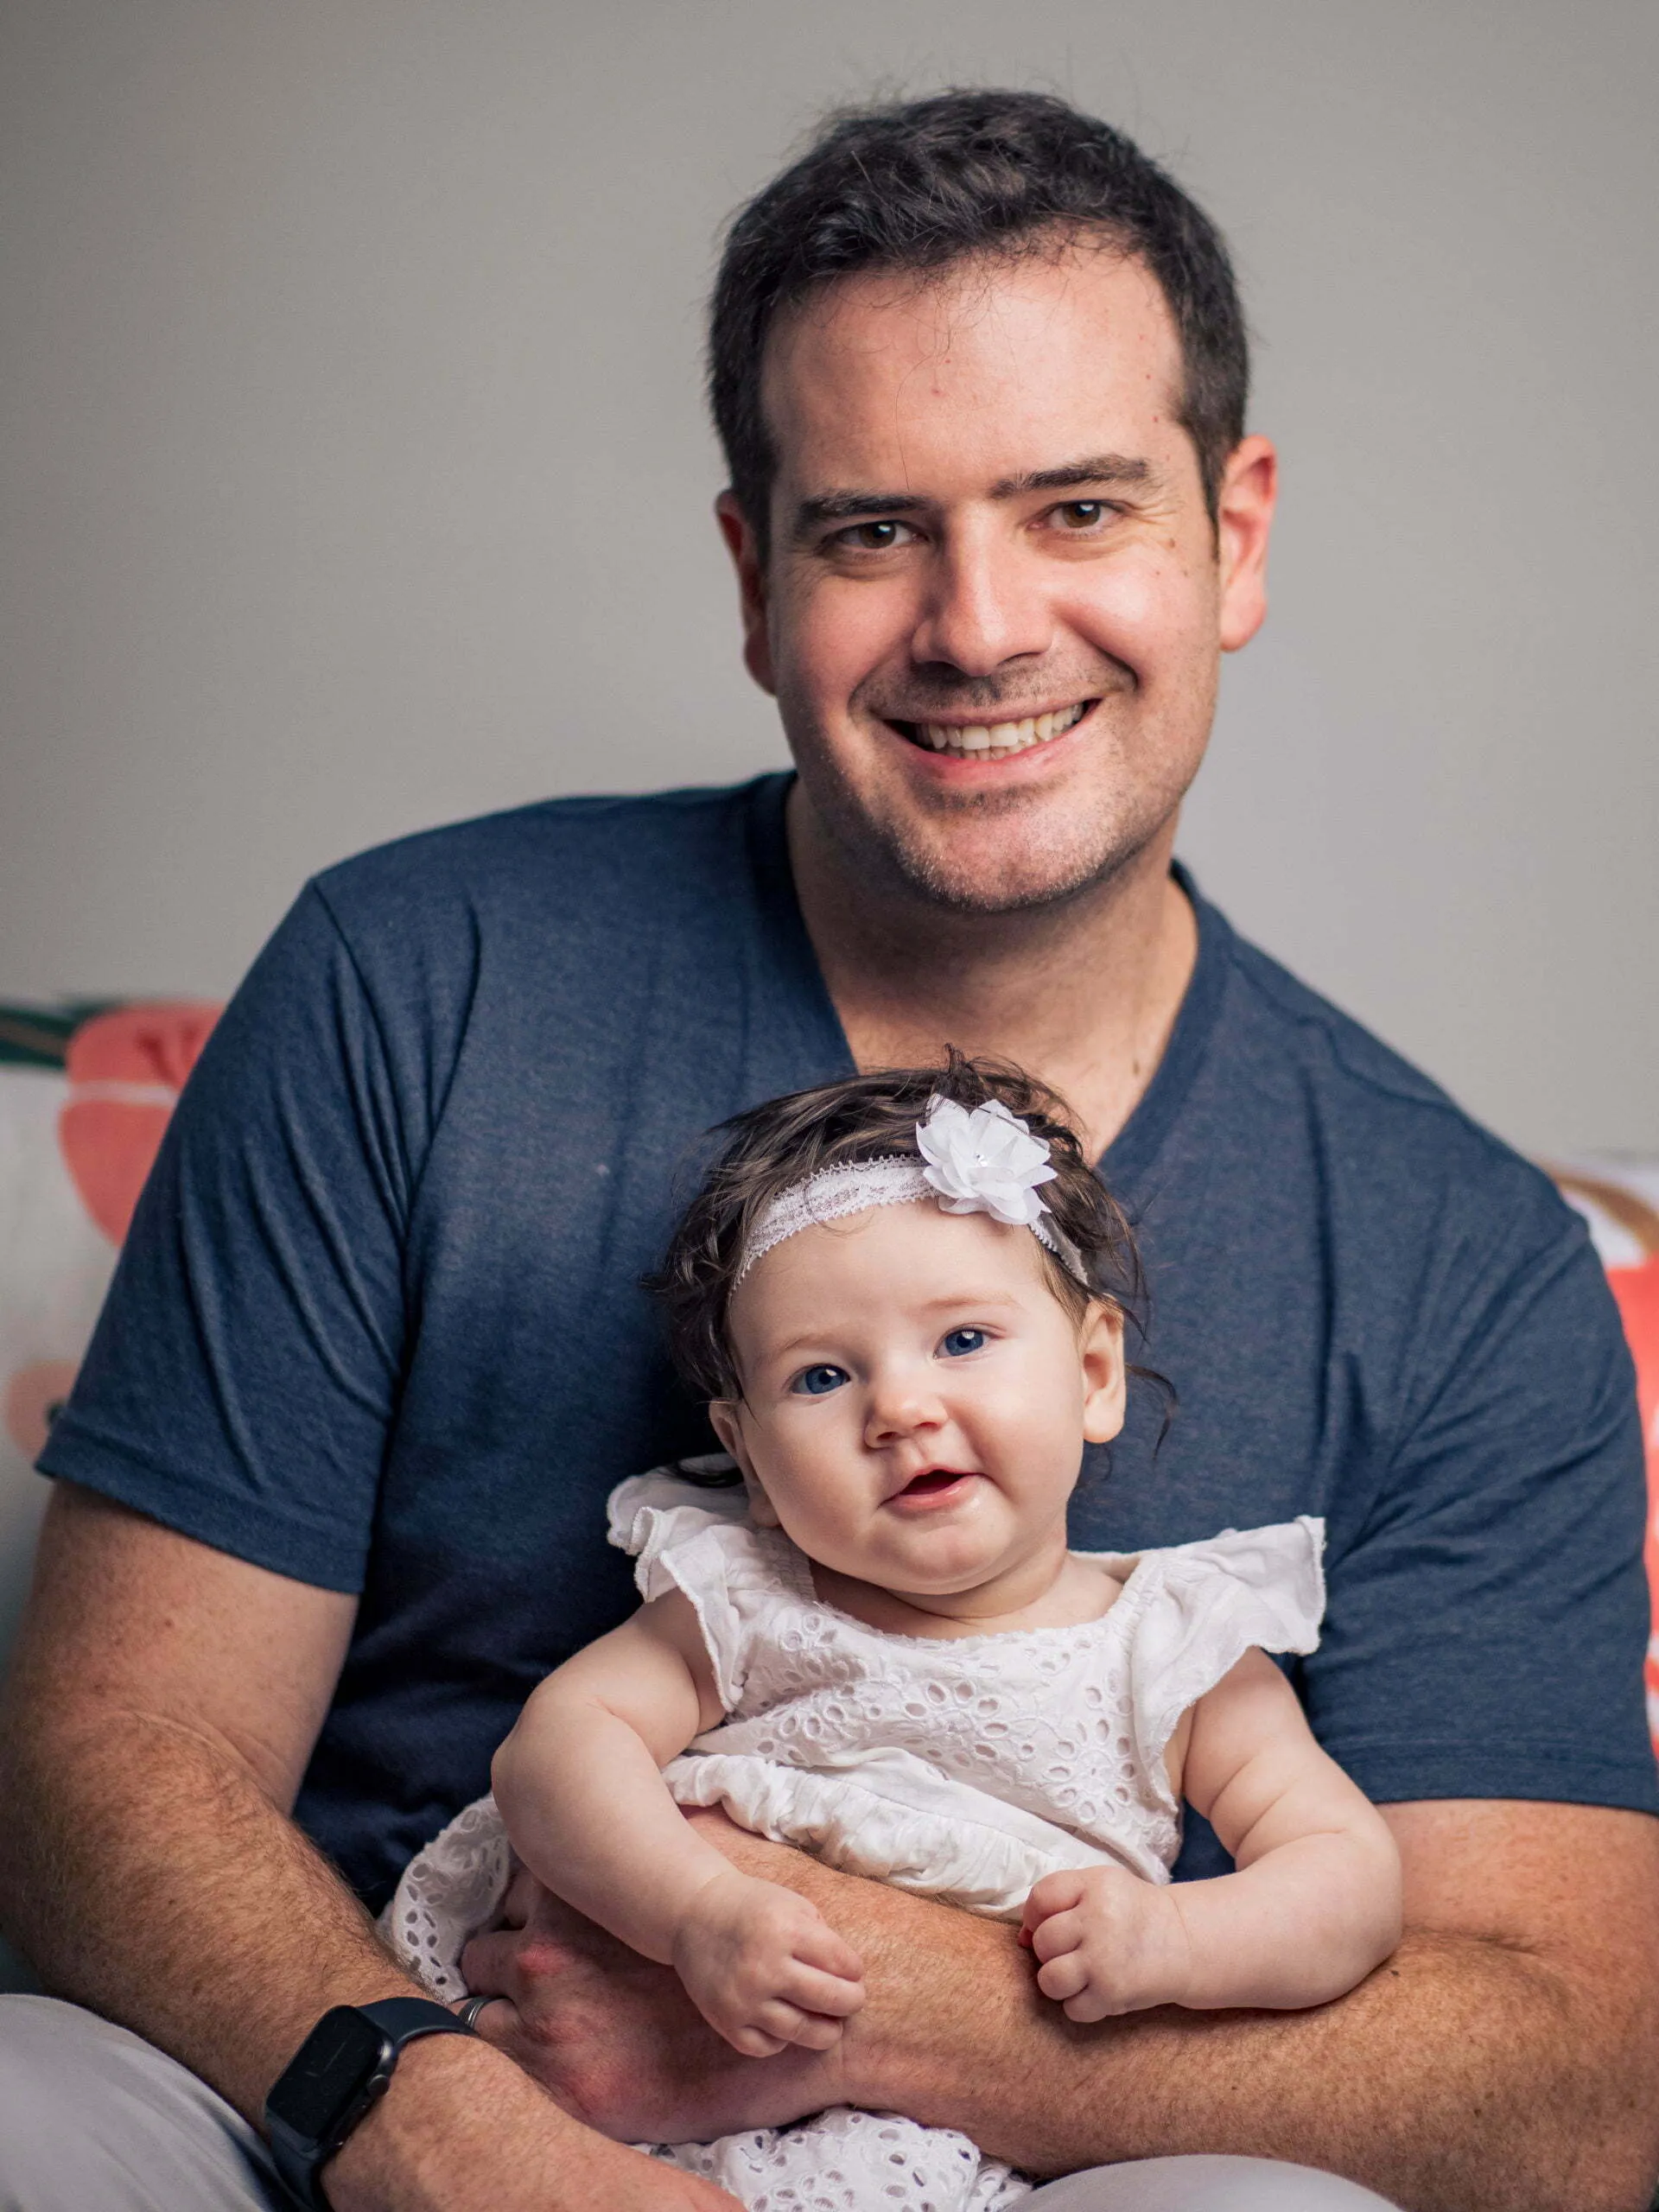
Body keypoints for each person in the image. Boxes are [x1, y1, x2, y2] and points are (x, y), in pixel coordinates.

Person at [0, 83, 1656, 2212]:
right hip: (341, 2080)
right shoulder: (416, 977)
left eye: (1078, 509)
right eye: (876, 528)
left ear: (1232, 536)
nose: (980, 624)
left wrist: (878, 2013)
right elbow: (106, 1761)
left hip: (1031, 2162)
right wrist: (453, 2136)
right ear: (754, 575)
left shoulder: (1456, 1256)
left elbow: (1573, 2080)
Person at [388, 1058, 1403, 2210]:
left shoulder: (1177, 1650)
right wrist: (694, 1911)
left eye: (963, 1340)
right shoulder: (744, 1600)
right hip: (631, 2108)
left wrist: (1178, 1940)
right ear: (752, 1454)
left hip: (983, 2145)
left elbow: (1348, 1882)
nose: (901, 1408)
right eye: (822, 1375)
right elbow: (557, 1750)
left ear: (1093, 1371)